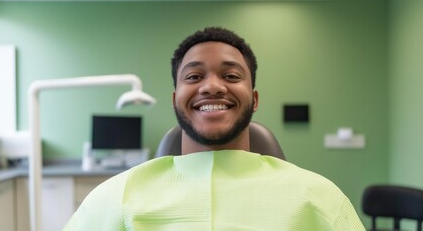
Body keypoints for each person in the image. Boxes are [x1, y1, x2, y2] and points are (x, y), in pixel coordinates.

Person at [64, 27, 365, 230]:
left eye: (232, 76)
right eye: (193, 77)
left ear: (255, 99)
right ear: (175, 99)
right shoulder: (117, 196)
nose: (211, 86)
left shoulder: (318, 197)